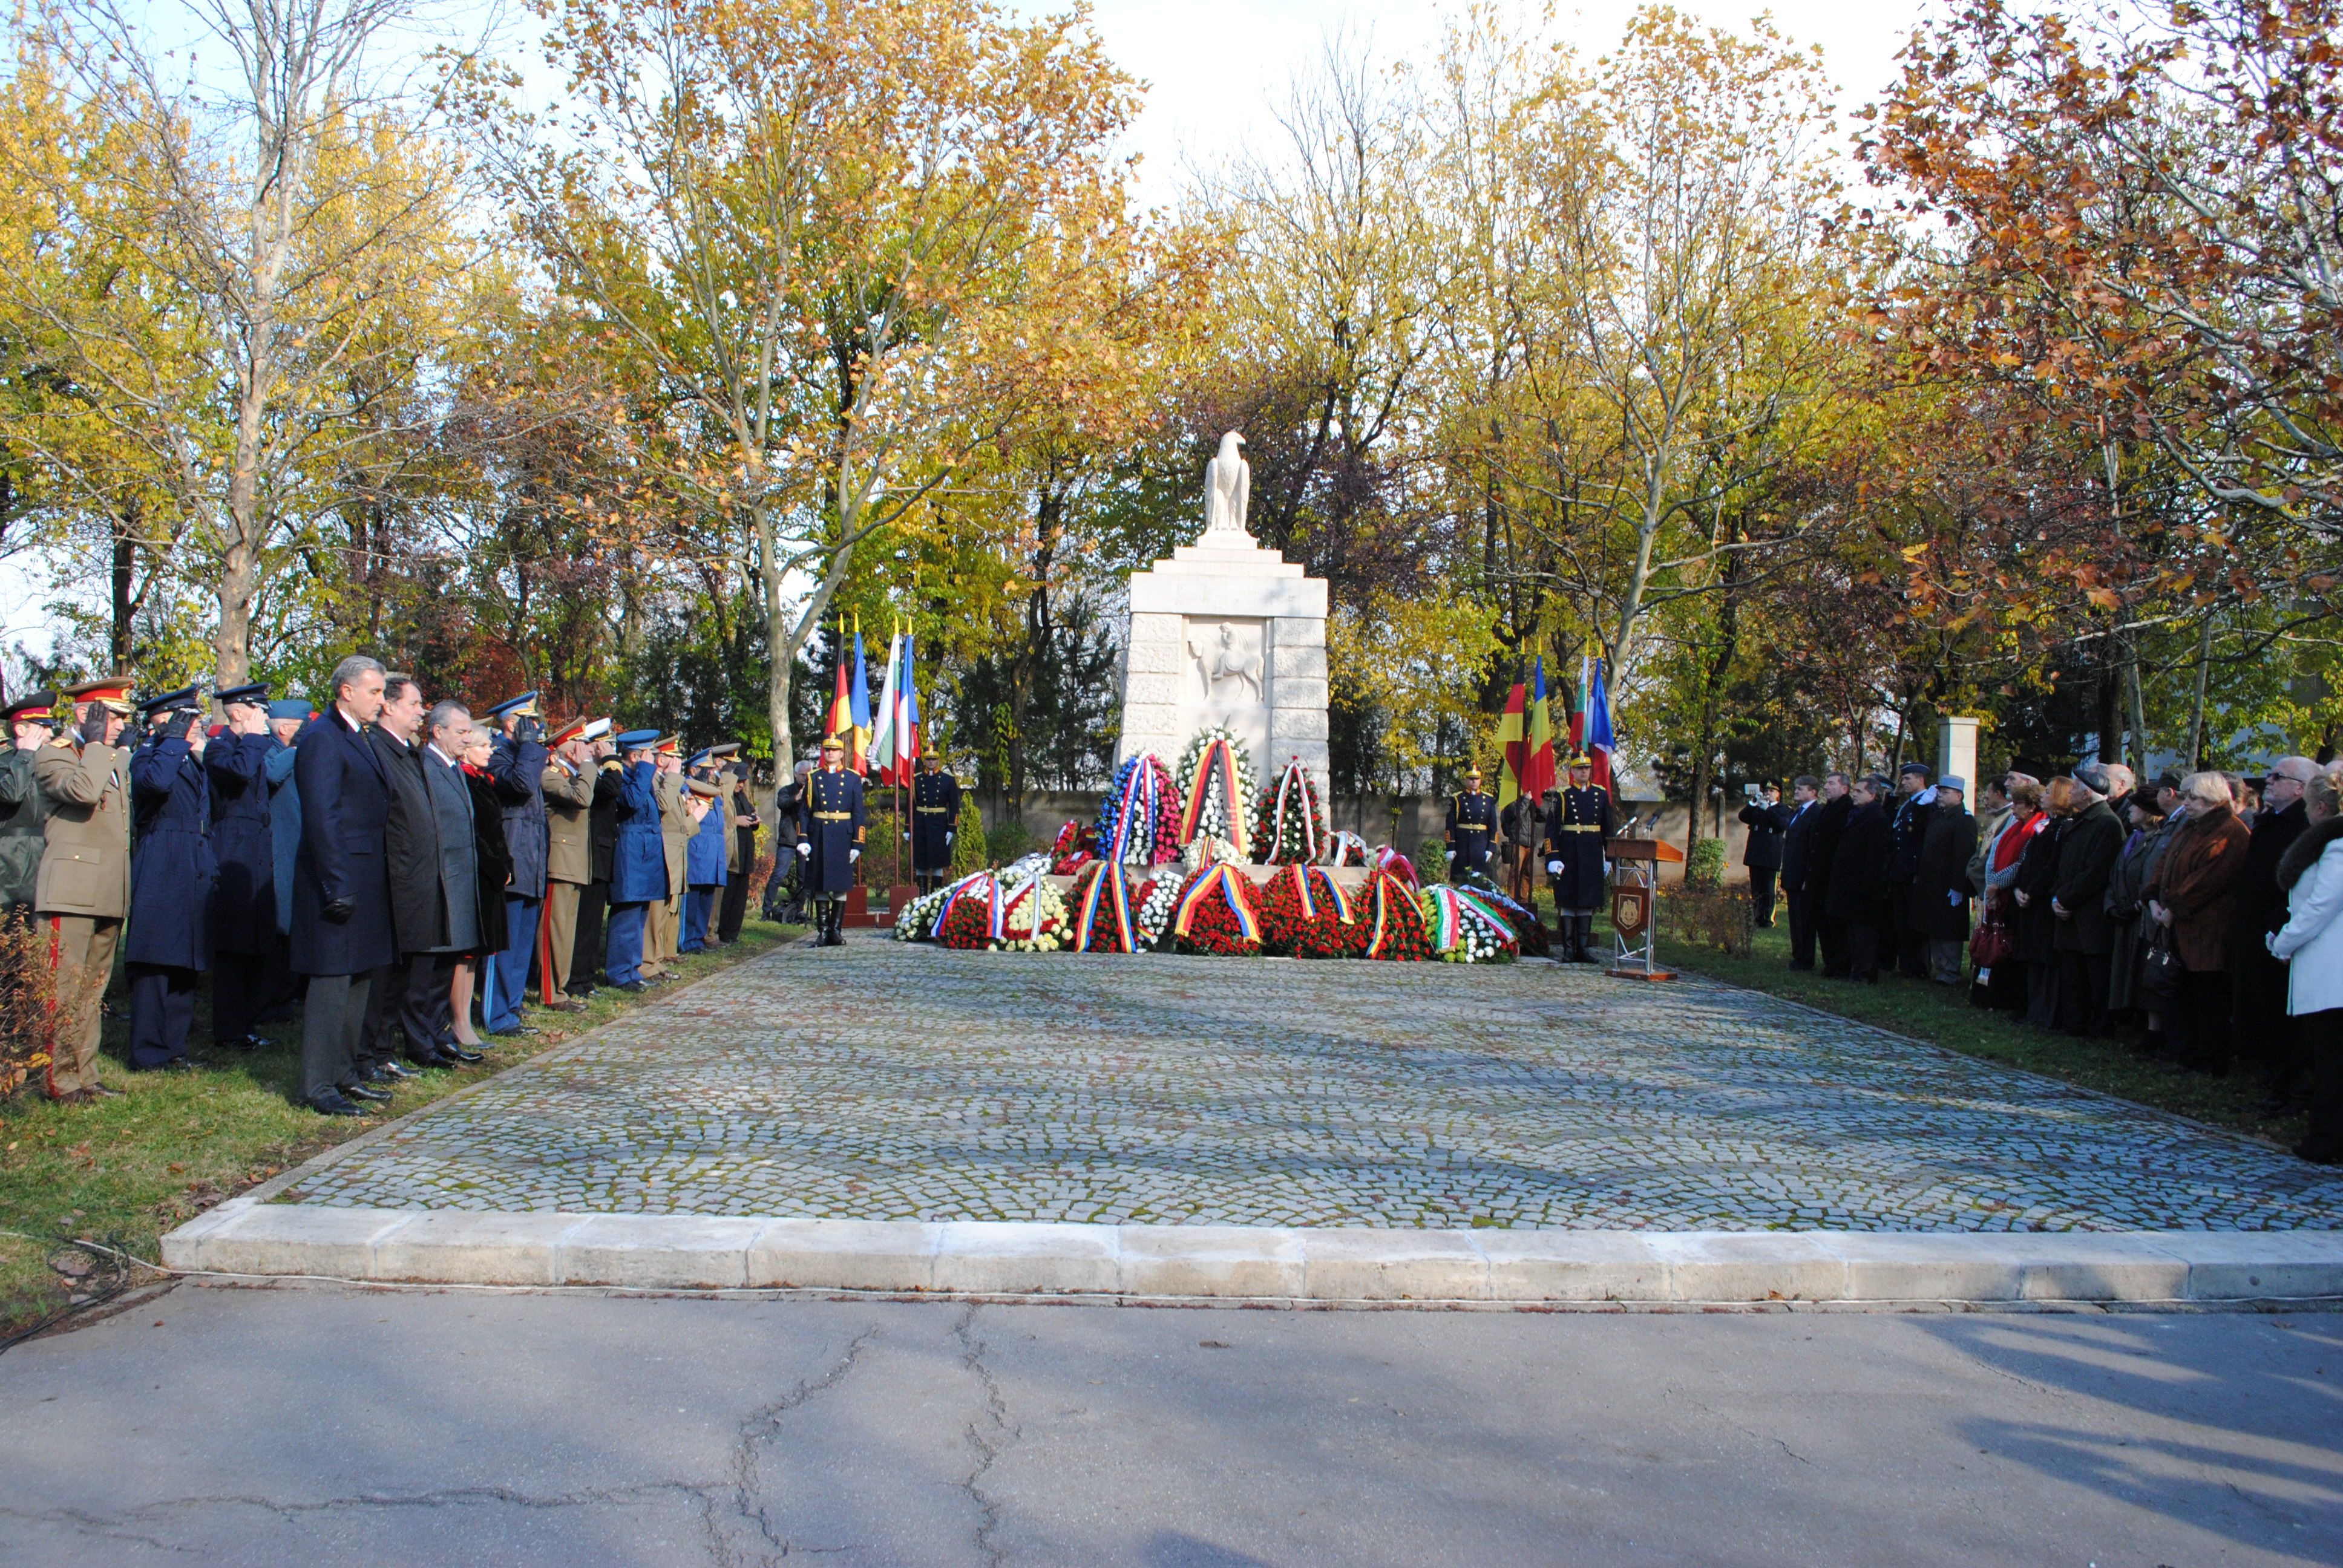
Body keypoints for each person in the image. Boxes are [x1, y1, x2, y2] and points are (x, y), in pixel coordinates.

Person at [289, 655, 398, 1117]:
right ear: (346, 691)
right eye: (374, 692)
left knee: (359, 979)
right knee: (332, 981)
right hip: (336, 876)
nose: (381, 700)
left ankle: (344, 1073)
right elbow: (322, 817)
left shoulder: (358, 737)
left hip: (366, 873)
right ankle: (316, 1084)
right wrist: (336, 883)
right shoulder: (322, 739)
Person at [34, 680, 136, 1102]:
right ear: (85, 716)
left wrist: (113, 752)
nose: (120, 725)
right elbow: (82, 792)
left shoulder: (113, 758)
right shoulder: (54, 754)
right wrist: (97, 746)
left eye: (123, 718)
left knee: (93, 991)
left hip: (108, 889)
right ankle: (57, 1080)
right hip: (71, 891)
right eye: (112, 716)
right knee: (63, 989)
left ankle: (86, 1075)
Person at [385, 698, 482, 1075]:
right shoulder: (426, 765)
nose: (467, 738)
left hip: (458, 880)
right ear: (437, 731)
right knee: (423, 975)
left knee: (444, 969)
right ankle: (420, 1043)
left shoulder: (453, 768)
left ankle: (439, 1036)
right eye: (460, 731)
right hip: (437, 881)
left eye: (469, 732)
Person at [124, 689, 216, 1072]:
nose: (196, 725)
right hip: (163, 857)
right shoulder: (149, 754)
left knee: (186, 958)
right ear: (164, 720)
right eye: (186, 719)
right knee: (156, 957)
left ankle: (174, 1045)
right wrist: (172, 739)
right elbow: (156, 785)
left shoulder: (191, 760)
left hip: (193, 857)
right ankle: (148, 1050)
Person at [2146, 771, 2254, 1076]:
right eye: (2185, 796)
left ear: (2212, 799)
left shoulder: (2229, 832)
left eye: (2193, 797)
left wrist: (2173, 907)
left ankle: (2210, 1061)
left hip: (2210, 930)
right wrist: (2154, 897)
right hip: (2182, 927)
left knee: (2209, 998)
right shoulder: (2192, 828)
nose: (2186, 803)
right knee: (2187, 994)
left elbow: (2207, 880)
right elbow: (2166, 862)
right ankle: (2188, 1054)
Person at [356, 673, 431, 1088]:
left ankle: (383, 1052)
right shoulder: (377, 750)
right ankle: (368, 1053)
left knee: (402, 973)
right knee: (382, 977)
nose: (422, 712)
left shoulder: (408, 752)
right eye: (415, 704)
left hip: (414, 877)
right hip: (390, 878)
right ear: (388, 705)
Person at [2233, 756, 2318, 1110]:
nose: (2269, 780)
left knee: (2283, 1015)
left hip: (2281, 930)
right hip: (2255, 928)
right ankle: (2271, 1080)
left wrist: (2278, 930)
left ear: (2300, 788)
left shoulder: (2304, 825)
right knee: (2262, 1009)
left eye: (2278, 776)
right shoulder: (2270, 821)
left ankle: (2289, 1087)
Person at [2269, 772, 2343, 1164]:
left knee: (2331, 1062)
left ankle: (2328, 1139)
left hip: (2334, 973)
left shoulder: (2337, 848)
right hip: (2326, 968)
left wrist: (2284, 942)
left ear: (2319, 808)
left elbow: (2319, 906)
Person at [205, 682, 280, 1051]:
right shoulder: (219, 747)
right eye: (259, 711)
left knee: (254, 944)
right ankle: (229, 1029)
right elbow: (236, 774)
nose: (265, 719)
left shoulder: (252, 748)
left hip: (255, 855)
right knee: (234, 948)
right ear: (239, 712)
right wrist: (250, 738)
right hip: (232, 853)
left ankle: (248, 1023)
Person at [481, 692, 549, 1037]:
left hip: (532, 858)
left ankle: (512, 1007)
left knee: (522, 943)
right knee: (505, 944)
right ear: (513, 724)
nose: (538, 728)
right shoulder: (498, 755)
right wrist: (527, 747)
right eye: (531, 722)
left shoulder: (526, 756)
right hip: (513, 855)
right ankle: (496, 1013)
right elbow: (521, 786)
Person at [2050, 765, 2125, 1037]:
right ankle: (2074, 1024)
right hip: (2069, 912)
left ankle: (2098, 1027)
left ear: (2087, 793)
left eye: (2075, 788)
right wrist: (2057, 897)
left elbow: (2096, 871)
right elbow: (2063, 866)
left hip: (2089, 915)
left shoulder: (2106, 823)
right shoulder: (2080, 821)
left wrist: (2067, 899)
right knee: (2072, 974)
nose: (2070, 792)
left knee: (2094, 976)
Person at [451, 723, 513, 1048]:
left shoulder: (481, 779)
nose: (491, 750)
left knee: (476, 953)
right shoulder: (464, 779)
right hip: (475, 873)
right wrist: (495, 865)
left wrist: (505, 864)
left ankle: (463, 1019)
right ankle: (458, 1021)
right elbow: (473, 832)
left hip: (491, 875)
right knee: (465, 953)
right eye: (484, 745)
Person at [2105, 784, 2175, 1050]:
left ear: (2148, 812)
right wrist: (2112, 905)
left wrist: (2136, 906)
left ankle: (2150, 1031)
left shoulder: (2158, 841)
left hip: (2143, 918)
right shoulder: (2132, 838)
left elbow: (2149, 879)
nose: (2130, 810)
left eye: (2135, 806)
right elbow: (2115, 875)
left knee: (2145, 974)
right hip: (2123, 916)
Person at [537, 716, 599, 1010]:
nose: (585, 752)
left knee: (567, 930)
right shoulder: (550, 775)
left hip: (574, 862)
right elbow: (582, 798)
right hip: (559, 862)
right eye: (579, 746)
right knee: (555, 929)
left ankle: (561, 988)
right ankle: (551, 993)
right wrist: (588, 766)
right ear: (564, 750)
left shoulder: (574, 775)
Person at [1979, 775, 2047, 1014]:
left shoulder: (2036, 827)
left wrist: (1997, 884)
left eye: (2019, 804)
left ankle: (2012, 1001)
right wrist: (1992, 884)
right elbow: (1996, 854)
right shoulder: (2015, 825)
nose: (2014, 808)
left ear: (2031, 807)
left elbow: (2021, 863)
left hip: (2014, 895)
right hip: (2001, 893)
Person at [605, 730, 666, 991]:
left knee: (639, 915)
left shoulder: (642, 777)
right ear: (635, 755)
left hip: (645, 853)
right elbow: (630, 802)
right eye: (649, 754)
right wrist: (644, 770)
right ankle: (618, 973)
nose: (653, 759)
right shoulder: (625, 777)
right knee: (626, 916)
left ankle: (632, 969)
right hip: (630, 853)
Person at [2013, 777, 2073, 1028]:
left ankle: (2045, 1013)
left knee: (2046, 959)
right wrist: (2019, 887)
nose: (2044, 796)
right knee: (2032, 956)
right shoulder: (2047, 825)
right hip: (2029, 896)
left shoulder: (2063, 827)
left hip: (2043, 899)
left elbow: (2051, 865)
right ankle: (2032, 1010)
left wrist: (2034, 891)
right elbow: (2028, 860)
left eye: (2049, 792)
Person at [798, 733, 866, 947]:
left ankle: (836, 931)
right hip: (819, 834)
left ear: (842, 754)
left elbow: (858, 813)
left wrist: (857, 843)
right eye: (827, 750)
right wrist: (803, 838)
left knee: (839, 885)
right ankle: (823, 931)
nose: (830, 753)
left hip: (842, 836)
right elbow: (804, 812)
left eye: (834, 750)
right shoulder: (813, 778)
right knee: (820, 884)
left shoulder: (853, 778)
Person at [1910, 774, 1976, 984]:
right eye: (1940, 792)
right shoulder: (1939, 816)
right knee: (1934, 927)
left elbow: (1963, 856)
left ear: (1959, 796)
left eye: (1945, 792)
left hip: (1948, 884)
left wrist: (1958, 887)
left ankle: (1950, 972)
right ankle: (1940, 970)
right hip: (1932, 883)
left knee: (1949, 931)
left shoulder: (1963, 820)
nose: (1940, 796)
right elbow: (1918, 829)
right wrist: (1922, 805)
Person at [1828, 775, 1895, 982]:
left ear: (1873, 795)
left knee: (1865, 933)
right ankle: (1855, 969)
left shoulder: (1877, 819)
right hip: (1850, 884)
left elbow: (1876, 857)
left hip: (1865, 887)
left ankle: (1865, 973)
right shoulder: (1857, 815)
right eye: (1854, 791)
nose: (1855, 795)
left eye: (1859, 792)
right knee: (1854, 933)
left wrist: (1867, 886)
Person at [571, 730, 620, 996]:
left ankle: (585, 979)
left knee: (591, 925)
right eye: (599, 745)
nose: (602, 750)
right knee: (583, 925)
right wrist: (611, 760)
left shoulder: (594, 774)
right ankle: (577, 979)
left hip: (601, 855)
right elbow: (612, 789)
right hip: (589, 857)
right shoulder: (585, 775)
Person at [0, 690, 59, 912]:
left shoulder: (50, 763)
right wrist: (25, 754)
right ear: (21, 729)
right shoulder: (6, 762)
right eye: (43, 727)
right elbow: (11, 794)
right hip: (9, 861)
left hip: (44, 857)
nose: (50, 733)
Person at [644, 737, 689, 977]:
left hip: (672, 852)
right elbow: (661, 805)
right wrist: (673, 778)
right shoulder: (655, 780)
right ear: (661, 759)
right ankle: (649, 961)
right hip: (661, 850)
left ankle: (657, 959)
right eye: (674, 758)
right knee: (655, 912)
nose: (678, 763)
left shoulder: (666, 781)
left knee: (665, 910)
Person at [1886, 762, 1935, 978]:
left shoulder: (1927, 803)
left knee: (1914, 921)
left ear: (1920, 780)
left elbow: (1921, 838)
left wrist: (1917, 871)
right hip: (1900, 869)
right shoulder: (1908, 804)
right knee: (1901, 919)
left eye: (1908, 779)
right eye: (1903, 779)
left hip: (1912, 870)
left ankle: (1918, 966)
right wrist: (1894, 797)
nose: (1903, 783)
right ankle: (1906, 963)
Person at [1806, 773, 1854, 977]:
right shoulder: (1828, 808)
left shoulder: (1847, 809)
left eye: (1831, 783)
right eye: (1826, 783)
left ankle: (1841, 964)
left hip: (1835, 876)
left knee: (1836, 925)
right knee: (1823, 923)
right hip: (1820, 875)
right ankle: (1830, 962)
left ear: (1844, 788)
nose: (1826, 787)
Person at [681, 775, 729, 953]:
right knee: (693, 899)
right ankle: (687, 940)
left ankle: (698, 939)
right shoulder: (689, 793)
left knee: (706, 900)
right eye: (706, 770)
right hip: (698, 851)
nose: (711, 774)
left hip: (713, 853)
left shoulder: (714, 797)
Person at [1778, 777, 1821, 967]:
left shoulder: (1816, 813)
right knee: (1795, 918)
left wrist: (1808, 877)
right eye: (1795, 788)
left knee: (1805, 919)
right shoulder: (1797, 813)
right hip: (1792, 873)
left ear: (1813, 792)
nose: (1796, 791)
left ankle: (1805, 957)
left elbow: (1812, 848)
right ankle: (1798, 954)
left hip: (1804, 875)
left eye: (1801, 789)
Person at [1735, 783, 1791, 929]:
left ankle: (1768, 920)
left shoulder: (1782, 809)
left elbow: (1782, 825)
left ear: (1778, 794)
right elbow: (1743, 816)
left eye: (1772, 791)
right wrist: (1753, 803)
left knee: (1768, 889)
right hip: (1756, 852)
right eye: (1766, 790)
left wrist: (1768, 810)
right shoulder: (1758, 807)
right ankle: (1757, 917)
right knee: (1756, 889)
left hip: (1771, 853)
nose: (1768, 793)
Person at [718, 759, 759, 944]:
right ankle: (723, 932)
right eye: (738, 781)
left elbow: (748, 814)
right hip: (732, 852)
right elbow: (724, 819)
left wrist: (753, 820)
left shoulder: (742, 796)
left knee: (740, 895)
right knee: (728, 894)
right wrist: (736, 820)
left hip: (745, 851)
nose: (741, 785)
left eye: (743, 781)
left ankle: (733, 933)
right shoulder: (725, 795)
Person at [909, 753, 960, 895]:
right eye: (928, 759)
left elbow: (954, 806)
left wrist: (952, 828)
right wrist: (908, 828)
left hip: (939, 825)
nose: (931, 762)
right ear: (924, 761)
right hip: (921, 825)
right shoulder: (916, 779)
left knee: (938, 863)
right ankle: (922, 897)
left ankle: (934, 898)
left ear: (938, 760)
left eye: (934, 759)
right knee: (921, 862)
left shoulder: (948, 780)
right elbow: (911, 805)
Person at [1446, 766, 1496, 883]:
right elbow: (1450, 824)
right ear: (1466, 780)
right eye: (1471, 778)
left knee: (1480, 880)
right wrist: (1451, 847)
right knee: (1460, 877)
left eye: (1477, 778)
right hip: (1462, 843)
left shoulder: (1488, 799)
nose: (1474, 781)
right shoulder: (1457, 798)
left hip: (1481, 844)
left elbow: (1493, 826)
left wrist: (1491, 847)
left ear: (1481, 780)